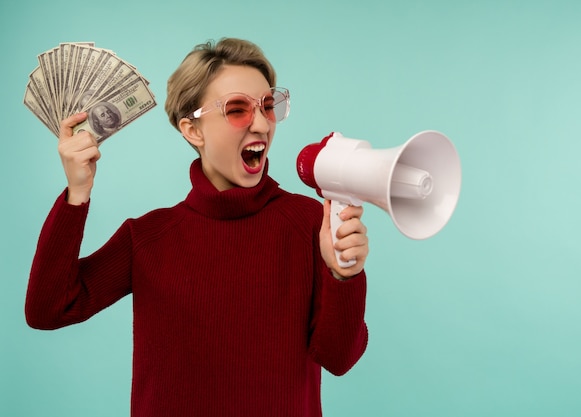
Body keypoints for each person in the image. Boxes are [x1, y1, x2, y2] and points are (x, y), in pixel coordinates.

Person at [25, 37, 369, 417]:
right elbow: (48, 310)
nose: (261, 124)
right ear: (192, 130)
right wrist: (77, 194)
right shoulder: (147, 238)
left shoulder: (310, 223)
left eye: (268, 107)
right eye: (238, 109)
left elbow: (339, 359)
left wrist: (345, 276)